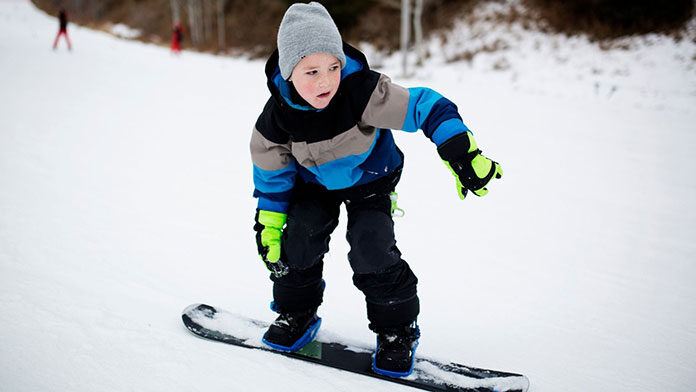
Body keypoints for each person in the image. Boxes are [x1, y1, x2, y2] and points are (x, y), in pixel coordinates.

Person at [250, 2, 502, 377]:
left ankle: (397, 331)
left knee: (371, 246)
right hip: (315, 186)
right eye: (312, 71)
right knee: (298, 241)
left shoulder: (363, 93)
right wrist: (269, 225)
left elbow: (426, 106)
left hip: (370, 179)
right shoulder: (276, 120)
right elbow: (272, 177)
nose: (326, 81)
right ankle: (296, 313)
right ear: (288, 72)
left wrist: (459, 149)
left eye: (333, 67)